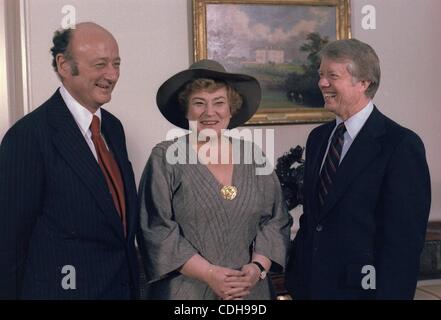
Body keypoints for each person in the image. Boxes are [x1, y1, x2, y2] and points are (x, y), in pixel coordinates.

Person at [0, 22, 139, 299]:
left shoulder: (113, 128)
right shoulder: (28, 136)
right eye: (100, 64)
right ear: (64, 65)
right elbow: (8, 244)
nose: (111, 75)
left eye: (116, 64)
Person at [285, 38, 431, 299]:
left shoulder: (400, 145)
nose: (322, 83)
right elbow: (314, 219)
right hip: (309, 287)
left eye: (332, 76)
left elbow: (403, 243)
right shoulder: (318, 138)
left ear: (364, 83)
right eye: (321, 75)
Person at [137, 59, 291, 300]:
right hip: (186, 293)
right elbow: (156, 229)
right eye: (199, 103)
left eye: (219, 102)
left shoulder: (253, 156)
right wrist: (209, 274)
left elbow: (276, 220)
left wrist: (257, 269)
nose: (210, 112)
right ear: (186, 109)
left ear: (231, 109)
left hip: (248, 293)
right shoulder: (165, 157)